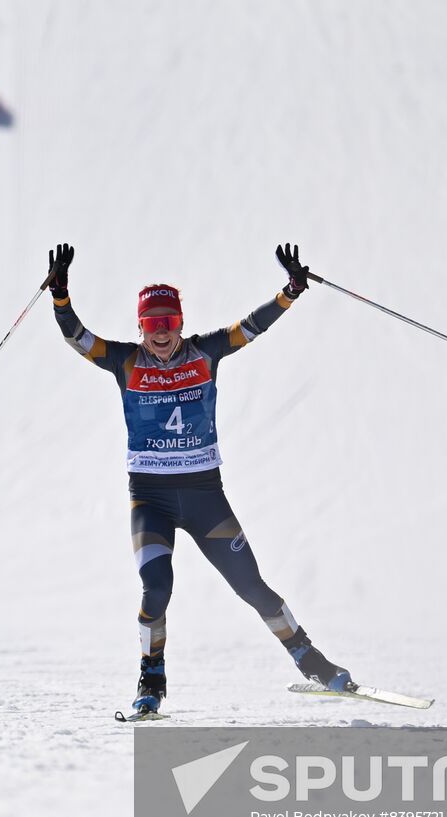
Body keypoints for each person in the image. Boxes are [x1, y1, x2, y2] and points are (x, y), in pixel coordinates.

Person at [48, 242, 351, 716]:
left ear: (181, 324)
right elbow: (79, 339)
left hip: (205, 495)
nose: (162, 334)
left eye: (169, 323)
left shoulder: (206, 353)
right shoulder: (126, 362)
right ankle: (151, 681)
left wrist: (290, 291)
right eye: (152, 324)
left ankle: (311, 660)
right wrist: (61, 296)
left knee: (253, 587)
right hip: (151, 498)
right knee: (157, 588)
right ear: (140, 327)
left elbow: (251, 327)